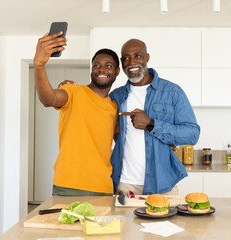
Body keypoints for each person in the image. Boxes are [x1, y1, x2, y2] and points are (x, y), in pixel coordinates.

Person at [33, 31, 120, 196]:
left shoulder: (115, 107)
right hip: (68, 185)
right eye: (96, 65)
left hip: (103, 187)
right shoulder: (73, 91)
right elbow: (49, 99)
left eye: (108, 66)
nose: (101, 69)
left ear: (117, 71)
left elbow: (125, 144)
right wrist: (39, 65)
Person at [109, 39, 200, 195]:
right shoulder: (116, 96)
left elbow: (192, 134)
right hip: (124, 185)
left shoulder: (172, 92)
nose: (131, 62)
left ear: (147, 58)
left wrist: (151, 124)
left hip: (162, 185)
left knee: (165, 220)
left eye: (137, 56)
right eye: (126, 58)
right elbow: (117, 133)